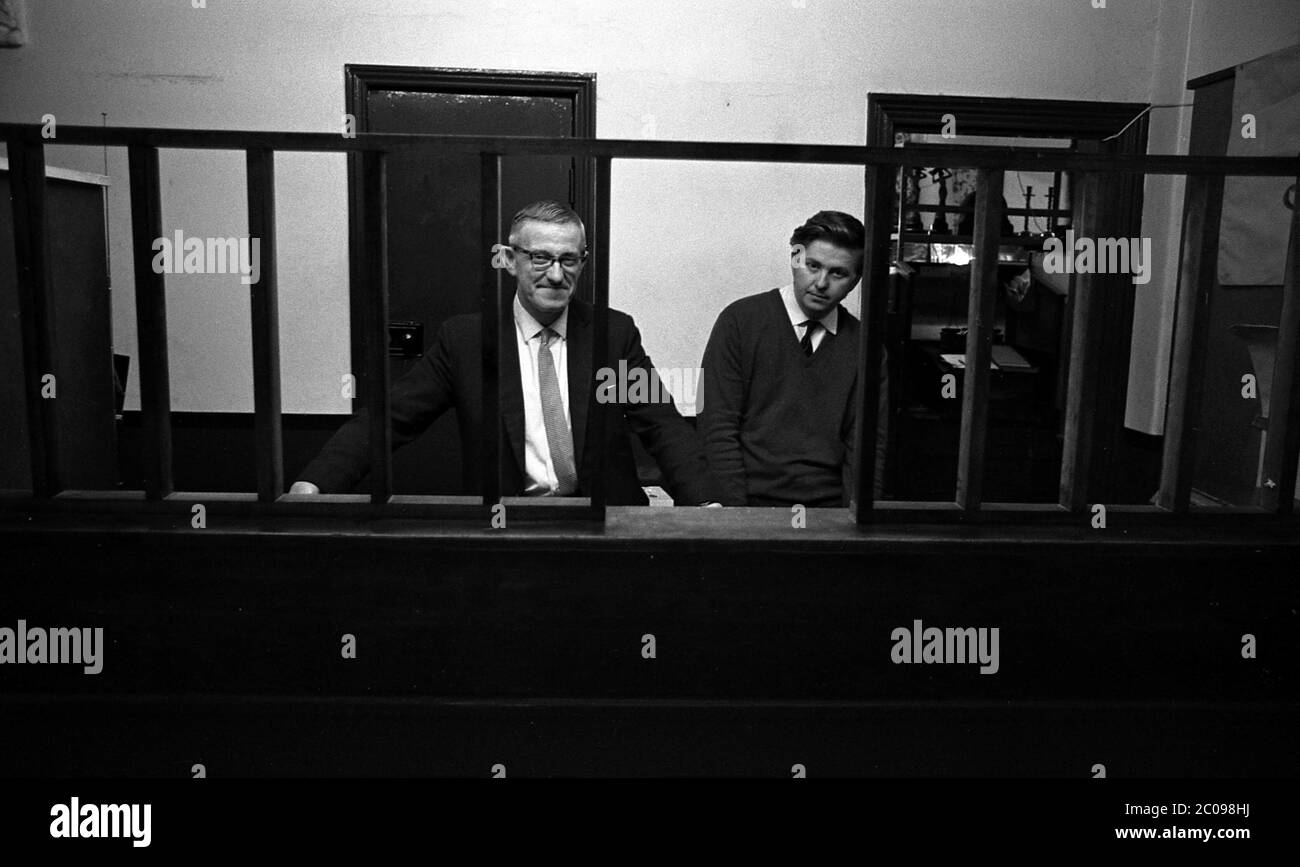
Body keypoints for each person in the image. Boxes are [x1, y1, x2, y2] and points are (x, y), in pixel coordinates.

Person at [292, 200, 714, 506]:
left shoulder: (612, 334)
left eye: (569, 260)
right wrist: (315, 483)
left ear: (583, 264)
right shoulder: (467, 342)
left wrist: (708, 504)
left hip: (604, 524)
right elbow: (392, 418)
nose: (555, 274)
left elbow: (662, 425)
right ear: (510, 260)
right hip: (507, 527)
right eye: (540, 258)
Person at [699, 210, 887, 507]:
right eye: (813, 266)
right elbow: (717, 424)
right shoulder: (740, 321)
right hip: (749, 504)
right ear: (794, 260)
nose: (821, 282)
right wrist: (735, 519)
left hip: (829, 512)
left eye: (838, 273)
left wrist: (854, 527)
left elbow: (866, 446)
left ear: (855, 281)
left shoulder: (865, 347)